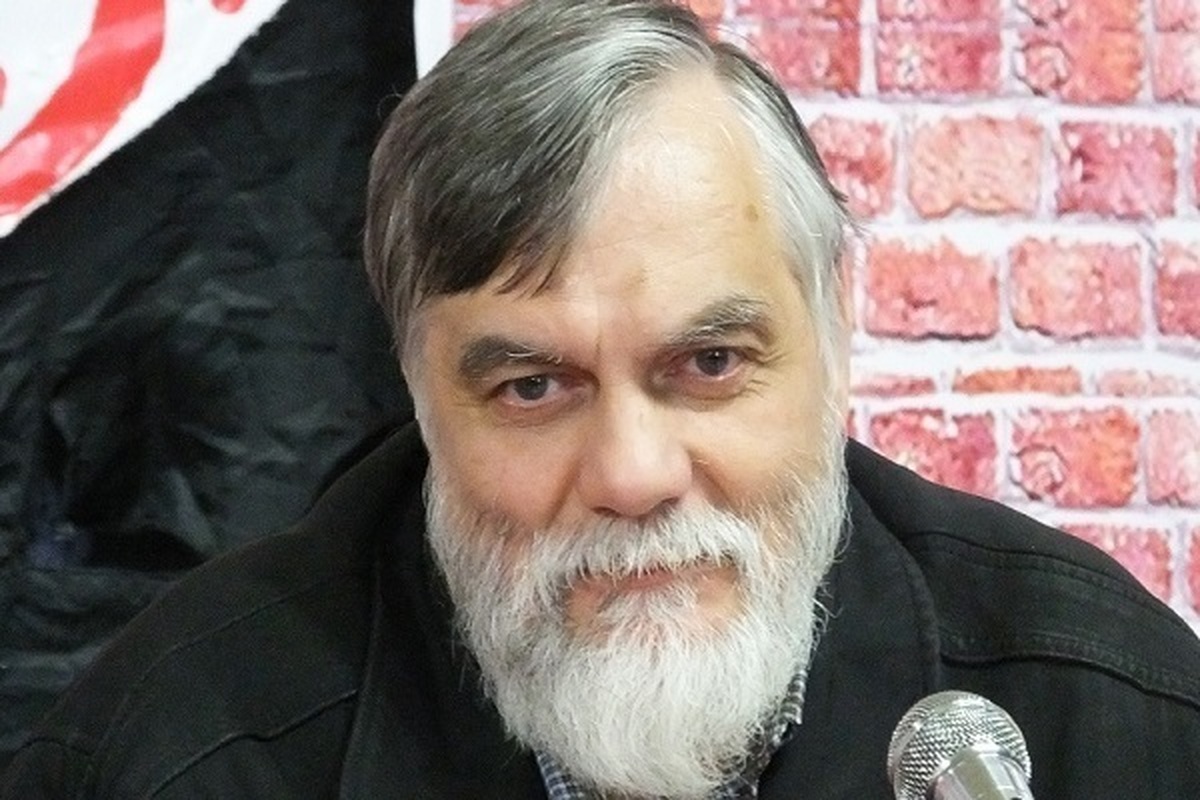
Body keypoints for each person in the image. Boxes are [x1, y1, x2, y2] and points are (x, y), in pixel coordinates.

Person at [5, 0, 1200, 797]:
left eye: (710, 364)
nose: (632, 474)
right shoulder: (177, 754)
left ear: (834, 340)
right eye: (532, 385)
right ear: (416, 390)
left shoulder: (1105, 720)